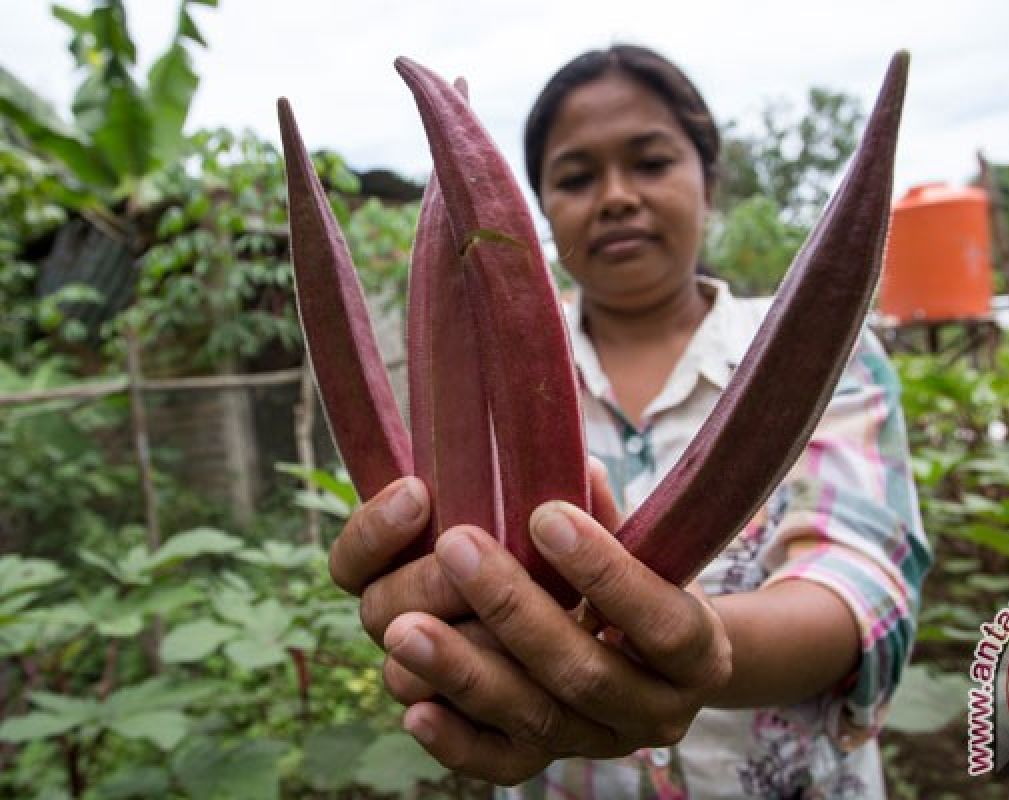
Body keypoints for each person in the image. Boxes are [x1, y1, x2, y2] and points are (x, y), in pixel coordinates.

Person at [330, 44, 931, 799]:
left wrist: (700, 646)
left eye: (650, 163)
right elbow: (446, 584)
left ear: (709, 182)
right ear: (540, 209)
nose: (616, 196)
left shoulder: (836, 357)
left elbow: (860, 589)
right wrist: (436, 616)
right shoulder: (476, 384)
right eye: (576, 177)